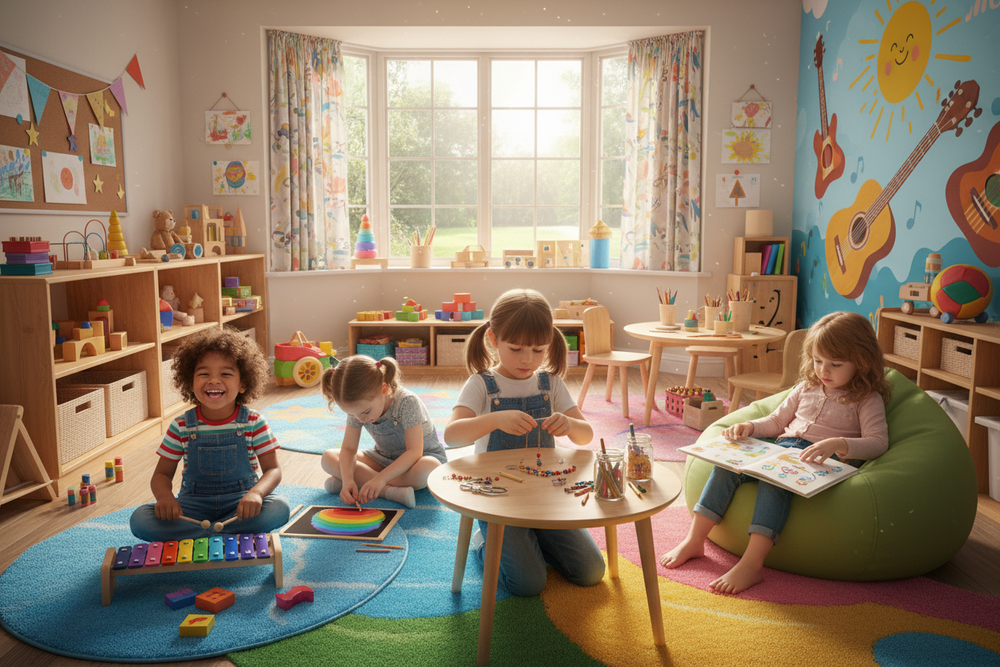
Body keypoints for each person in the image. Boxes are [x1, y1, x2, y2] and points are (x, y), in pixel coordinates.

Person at [660, 311, 892, 594]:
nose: (823, 371)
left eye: (835, 364)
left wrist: (839, 444)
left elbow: (878, 442)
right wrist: (748, 426)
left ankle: (752, 563)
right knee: (726, 466)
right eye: (818, 361)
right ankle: (695, 540)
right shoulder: (806, 386)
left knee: (774, 481)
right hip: (780, 448)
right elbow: (776, 421)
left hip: (819, 462)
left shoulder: (867, 398)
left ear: (862, 361)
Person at [444, 288, 605, 597]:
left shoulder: (550, 384)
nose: (527, 359)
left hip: (545, 495)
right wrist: (493, 419)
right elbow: (451, 436)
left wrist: (570, 424)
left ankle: (532, 539)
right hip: (498, 499)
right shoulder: (482, 384)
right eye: (516, 349)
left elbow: (585, 436)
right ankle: (483, 542)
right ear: (493, 338)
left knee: (591, 571)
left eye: (537, 350)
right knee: (528, 584)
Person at [130, 328, 290, 541]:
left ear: (243, 383)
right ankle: (220, 533)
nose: (214, 380)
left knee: (280, 507)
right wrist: (165, 498)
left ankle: (203, 535)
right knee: (140, 519)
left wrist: (256, 493)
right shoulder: (181, 425)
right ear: (190, 381)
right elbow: (161, 474)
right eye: (204, 374)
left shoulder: (254, 422)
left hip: (240, 508)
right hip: (192, 509)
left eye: (225, 374)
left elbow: (273, 470)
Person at [320, 355, 447, 509]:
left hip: (417, 460)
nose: (360, 419)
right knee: (328, 457)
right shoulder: (358, 409)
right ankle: (390, 492)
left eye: (366, 412)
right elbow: (348, 449)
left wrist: (380, 479)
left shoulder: (407, 402)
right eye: (354, 415)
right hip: (383, 458)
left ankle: (366, 483)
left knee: (430, 468)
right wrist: (348, 480)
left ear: (384, 389)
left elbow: (414, 452)